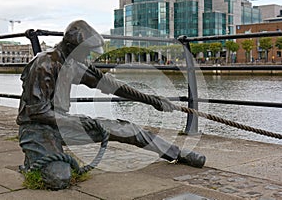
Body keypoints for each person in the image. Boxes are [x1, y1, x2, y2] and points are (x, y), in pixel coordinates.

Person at [16, 20, 206, 190]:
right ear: (71, 46)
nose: (88, 57)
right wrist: (76, 121)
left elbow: (111, 85)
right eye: (86, 52)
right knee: (59, 179)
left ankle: (177, 153)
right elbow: (37, 113)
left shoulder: (73, 64)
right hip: (38, 128)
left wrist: (152, 100)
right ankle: (33, 161)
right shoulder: (44, 64)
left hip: (63, 124)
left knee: (128, 129)